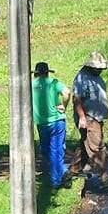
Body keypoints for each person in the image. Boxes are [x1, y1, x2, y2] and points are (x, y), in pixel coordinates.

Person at [71, 52, 108, 191]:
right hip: (89, 118)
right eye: (99, 68)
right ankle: (104, 177)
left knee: (85, 146)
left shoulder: (95, 76)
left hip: (97, 117)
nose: (101, 70)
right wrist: (82, 117)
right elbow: (77, 100)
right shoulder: (81, 79)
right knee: (97, 147)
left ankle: (72, 171)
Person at [33, 60, 69, 189]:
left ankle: (59, 174)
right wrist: (63, 106)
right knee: (57, 150)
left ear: (36, 73)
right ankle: (59, 176)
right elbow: (67, 92)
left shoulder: (31, 85)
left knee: (47, 149)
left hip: (42, 123)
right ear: (47, 73)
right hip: (57, 121)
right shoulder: (54, 83)